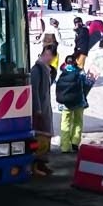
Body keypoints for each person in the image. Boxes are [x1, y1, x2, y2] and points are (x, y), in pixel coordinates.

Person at [56, 54, 95, 153]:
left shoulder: (62, 74)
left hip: (65, 104)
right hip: (78, 102)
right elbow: (86, 85)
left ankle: (65, 147)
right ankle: (75, 143)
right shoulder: (80, 73)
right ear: (74, 62)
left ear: (66, 63)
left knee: (65, 123)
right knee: (78, 122)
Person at [30, 46, 57, 176]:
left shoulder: (46, 69)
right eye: (47, 55)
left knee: (45, 136)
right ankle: (36, 165)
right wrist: (38, 109)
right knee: (39, 136)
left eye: (51, 56)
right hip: (40, 109)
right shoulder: (37, 70)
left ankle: (42, 163)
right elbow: (34, 90)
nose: (49, 58)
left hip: (45, 108)